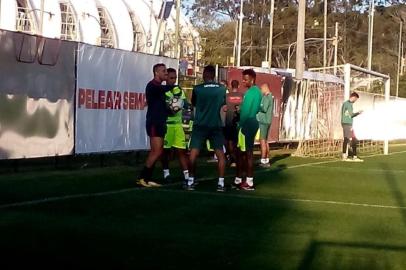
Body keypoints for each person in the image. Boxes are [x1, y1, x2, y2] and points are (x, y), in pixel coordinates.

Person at [186, 65, 227, 192]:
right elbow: (223, 104)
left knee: (193, 153)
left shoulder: (197, 88)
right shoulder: (221, 89)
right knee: (220, 154)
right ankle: (221, 183)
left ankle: (190, 181)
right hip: (215, 124)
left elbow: (194, 103)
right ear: (214, 75)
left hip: (200, 124)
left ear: (204, 75)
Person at [136, 63, 168, 187]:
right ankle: (142, 178)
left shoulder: (159, 87)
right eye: (163, 71)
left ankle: (146, 178)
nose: (166, 73)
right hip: (154, 122)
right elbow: (165, 89)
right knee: (157, 151)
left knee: (157, 151)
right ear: (156, 73)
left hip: (159, 121)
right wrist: (174, 87)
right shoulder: (153, 86)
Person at [234, 69, 262, 191]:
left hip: (247, 124)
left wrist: (240, 122)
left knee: (247, 154)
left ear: (252, 79)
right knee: (242, 153)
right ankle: (239, 179)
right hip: (250, 122)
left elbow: (246, 111)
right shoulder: (256, 92)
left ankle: (249, 181)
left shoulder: (251, 92)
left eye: (245, 79)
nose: (243, 81)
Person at [161, 68, 189, 183]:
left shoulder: (179, 90)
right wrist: (169, 107)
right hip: (167, 125)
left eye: (175, 78)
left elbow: (185, 103)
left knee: (181, 151)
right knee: (165, 152)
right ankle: (166, 173)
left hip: (178, 125)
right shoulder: (162, 91)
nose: (173, 80)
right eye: (171, 78)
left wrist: (183, 105)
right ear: (166, 77)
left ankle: (187, 176)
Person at [224, 80, 243, 167]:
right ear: (238, 86)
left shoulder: (227, 96)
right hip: (238, 122)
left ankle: (230, 158)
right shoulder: (242, 96)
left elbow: (223, 108)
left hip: (228, 121)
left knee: (229, 141)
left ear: (231, 86)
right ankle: (235, 159)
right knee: (236, 142)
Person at [341, 92, 363, 162]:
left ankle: (354, 156)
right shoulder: (348, 104)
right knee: (347, 139)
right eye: (356, 99)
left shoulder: (346, 103)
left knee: (353, 139)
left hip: (347, 123)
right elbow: (351, 115)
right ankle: (344, 156)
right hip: (347, 123)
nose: (355, 101)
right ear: (353, 97)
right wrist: (358, 113)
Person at [257, 83, 274, 168]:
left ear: (265, 88)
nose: (261, 91)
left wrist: (258, 106)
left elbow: (264, 108)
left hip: (264, 121)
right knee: (265, 140)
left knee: (262, 140)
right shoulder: (268, 96)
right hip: (266, 121)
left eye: (261, 89)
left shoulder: (268, 97)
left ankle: (263, 160)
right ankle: (266, 159)